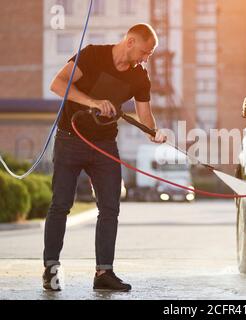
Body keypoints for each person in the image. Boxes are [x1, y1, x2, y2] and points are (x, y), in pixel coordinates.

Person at [43, 23, 166, 292]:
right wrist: (94, 102)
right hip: (70, 139)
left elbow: (145, 114)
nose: (146, 59)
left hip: (104, 145)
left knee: (110, 207)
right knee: (61, 204)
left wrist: (153, 132)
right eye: (145, 52)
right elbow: (58, 84)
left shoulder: (139, 77)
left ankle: (104, 273)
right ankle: (51, 268)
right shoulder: (92, 56)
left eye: (150, 54)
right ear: (130, 41)